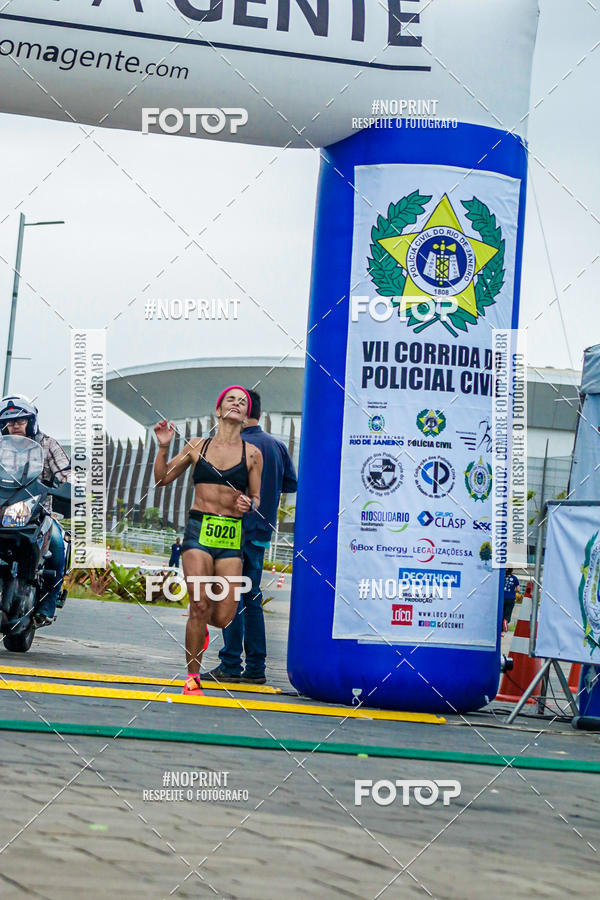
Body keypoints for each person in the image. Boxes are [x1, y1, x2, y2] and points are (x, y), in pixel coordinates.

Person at [153, 386, 262, 696]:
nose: (237, 404)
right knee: (199, 604)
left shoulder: (253, 454)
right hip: (198, 531)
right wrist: (163, 448)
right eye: (231, 399)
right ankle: (193, 678)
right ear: (219, 409)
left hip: (230, 536)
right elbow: (162, 479)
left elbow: (256, 499)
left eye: (243, 402)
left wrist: (248, 504)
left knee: (223, 615)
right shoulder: (197, 445)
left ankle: (199, 628)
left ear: (247, 415)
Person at [208, 389, 297, 685]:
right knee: (252, 596)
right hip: (260, 532)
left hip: (233, 531)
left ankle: (231, 663)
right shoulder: (277, 446)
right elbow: (291, 484)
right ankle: (256, 667)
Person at [0, 395, 71, 627]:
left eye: (21, 420)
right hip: (5, 510)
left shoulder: (48, 444)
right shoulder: (1, 446)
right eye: (10, 422)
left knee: (58, 546)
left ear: (31, 421)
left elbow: (67, 472)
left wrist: (68, 486)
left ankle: (47, 607)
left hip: (39, 512)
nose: (15, 425)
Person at [502, 568, 520, 633]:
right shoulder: (515, 578)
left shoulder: (501, 577)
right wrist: (512, 591)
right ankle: (506, 621)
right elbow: (518, 589)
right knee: (508, 615)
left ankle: (501, 631)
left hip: (502, 598)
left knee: (501, 614)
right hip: (511, 599)